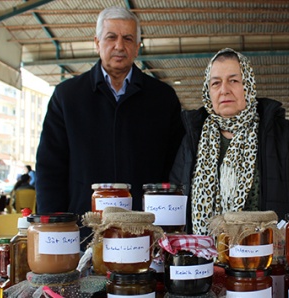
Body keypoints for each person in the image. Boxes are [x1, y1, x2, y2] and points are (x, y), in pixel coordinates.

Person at [36, 7, 184, 220]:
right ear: (97, 43)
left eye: (128, 38)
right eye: (111, 37)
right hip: (84, 227)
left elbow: (175, 167)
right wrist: (54, 223)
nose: (119, 46)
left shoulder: (163, 98)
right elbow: (50, 168)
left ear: (137, 47)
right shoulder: (67, 96)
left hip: (145, 227)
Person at [170, 48, 289, 235]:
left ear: (248, 86)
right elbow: (176, 193)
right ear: (208, 91)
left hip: (268, 253)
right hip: (206, 255)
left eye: (233, 81)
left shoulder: (282, 133)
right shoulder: (194, 136)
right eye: (216, 83)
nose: (224, 90)